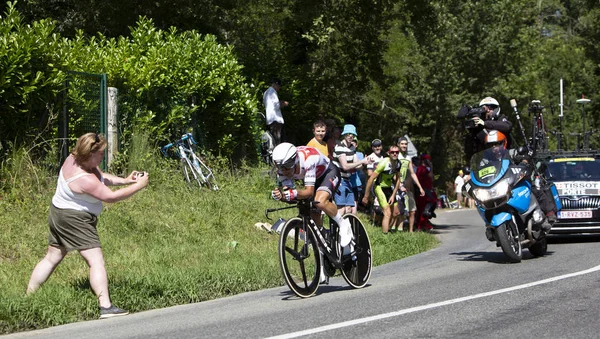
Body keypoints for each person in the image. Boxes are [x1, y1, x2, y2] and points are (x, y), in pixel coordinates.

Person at [26, 133, 149, 319]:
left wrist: (125, 180)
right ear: (90, 153)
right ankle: (105, 306)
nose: (102, 157)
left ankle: (28, 298)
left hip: (58, 212)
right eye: (100, 154)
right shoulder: (83, 178)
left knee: (52, 257)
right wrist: (139, 186)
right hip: (74, 219)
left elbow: (101, 177)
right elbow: (111, 197)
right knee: (96, 260)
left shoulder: (74, 158)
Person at [270, 142, 354, 249]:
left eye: (286, 167)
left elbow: (309, 192)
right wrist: (281, 196)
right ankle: (322, 240)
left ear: (295, 160)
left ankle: (343, 224)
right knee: (312, 212)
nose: (284, 171)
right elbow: (290, 194)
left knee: (320, 201)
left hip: (329, 172)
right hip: (314, 177)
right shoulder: (282, 170)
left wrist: (294, 193)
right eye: (280, 167)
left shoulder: (308, 159)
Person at [332, 124, 373, 215]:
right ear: (344, 134)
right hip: (339, 180)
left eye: (353, 134)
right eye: (348, 134)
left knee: (349, 209)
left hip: (348, 180)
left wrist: (365, 163)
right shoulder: (339, 147)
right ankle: (337, 228)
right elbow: (345, 166)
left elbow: (357, 166)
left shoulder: (352, 148)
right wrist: (361, 161)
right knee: (341, 209)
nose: (351, 136)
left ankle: (346, 228)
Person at [459, 96, 513, 164]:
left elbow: (507, 126)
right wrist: (467, 112)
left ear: (496, 109)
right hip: (486, 159)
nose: (488, 110)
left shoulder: (501, 118)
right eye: (485, 108)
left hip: (504, 154)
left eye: (491, 107)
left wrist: (484, 123)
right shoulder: (479, 123)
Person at [362, 144, 403, 234]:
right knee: (387, 212)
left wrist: (393, 195)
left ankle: (387, 230)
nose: (395, 154)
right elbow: (371, 179)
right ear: (389, 153)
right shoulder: (384, 163)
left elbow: (398, 180)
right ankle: (385, 236)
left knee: (396, 213)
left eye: (397, 152)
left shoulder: (398, 163)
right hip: (379, 187)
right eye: (392, 152)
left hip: (389, 188)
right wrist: (366, 196)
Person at [393, 137, 425, 232]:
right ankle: (394, 231)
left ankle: (410, 232)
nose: (404, 146)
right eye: (402, 144)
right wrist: (399, 186)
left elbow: (412, 173)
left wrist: (420, 187)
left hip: (407, 186)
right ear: (398, 144)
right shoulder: (395, 156)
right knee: (398, 212)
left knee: (412, 210)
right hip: (396, 186)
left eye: (405, 144)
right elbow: (393, 173)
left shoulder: (408, 157)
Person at [263, 78, 289, 145]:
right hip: (276, 120)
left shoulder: (266, 92)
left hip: (269, 120)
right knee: (278, 142)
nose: (279, 88)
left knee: (272, 141)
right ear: (275, 84)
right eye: (279, 86)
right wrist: (283, 103)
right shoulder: (273, 92)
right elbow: (276, 106)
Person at [415, 153, 437, 231]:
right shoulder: (422, 168)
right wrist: (431, 167)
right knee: (423, 208)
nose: (429, 161)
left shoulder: (425, 168)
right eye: (427, 160)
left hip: (428, 188)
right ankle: (420, 225)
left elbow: (432, 179)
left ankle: (425, 223)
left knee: (431, 203)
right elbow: (430, 176)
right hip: (423, 190)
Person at [366, 139, 384, 225]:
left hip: (383, 183)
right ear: (372, 148)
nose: (377, 148)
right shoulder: (371, 157)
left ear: (381, 146)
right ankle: (374, 222)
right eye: (375, 146)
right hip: (374, 182)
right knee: (376, 202)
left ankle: (379, 221)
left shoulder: (383, 158)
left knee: (381, 202)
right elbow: (369, 173)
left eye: (379, 146)